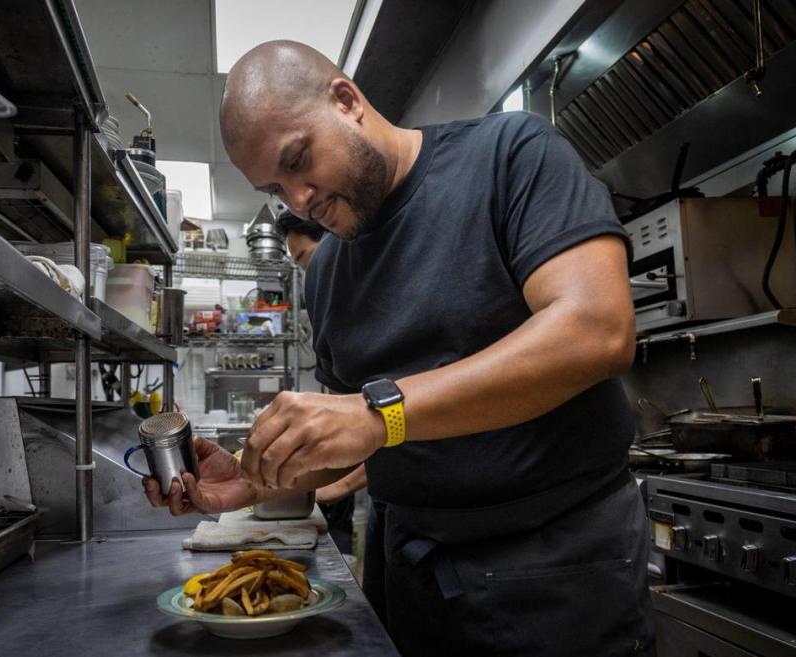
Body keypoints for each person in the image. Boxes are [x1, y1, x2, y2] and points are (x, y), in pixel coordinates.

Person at [146, 40, 654, 656]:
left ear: (346, 100)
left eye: (299, 160)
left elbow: (596, 330)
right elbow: (352, 440)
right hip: (410, 571)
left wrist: (376, 411)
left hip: (554, 568)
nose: (298, 200)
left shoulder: (510, 155)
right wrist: (255, 480)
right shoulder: (327, 270)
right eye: (276, 189)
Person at [274, 210, 356, 556]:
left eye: (304, 258)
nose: (309, 273)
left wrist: (333, 488)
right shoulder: (336, 307)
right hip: (394, 505)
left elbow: (381, 426)